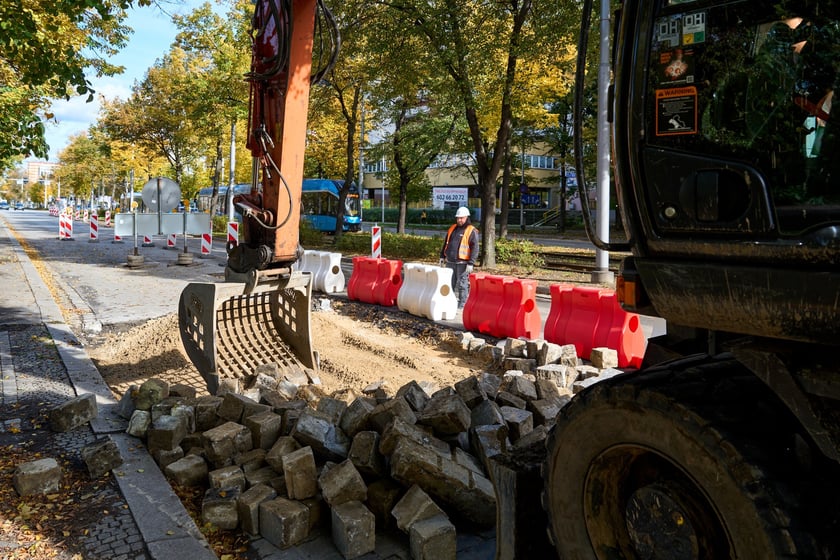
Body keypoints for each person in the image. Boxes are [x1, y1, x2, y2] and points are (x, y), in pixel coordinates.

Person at [439, 206, 479, 309]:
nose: (459, 220)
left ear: (467, 218)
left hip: (463, 263)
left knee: (462, 284)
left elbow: (475, 248)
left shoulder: (471, 230)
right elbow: (446, 243)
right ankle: (449, 302)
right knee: (449, 283)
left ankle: (462, 305)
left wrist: (471, 262)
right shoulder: (452, 228)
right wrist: (442, 256)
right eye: (458, 218)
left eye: (462, 218)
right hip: (451, 261)